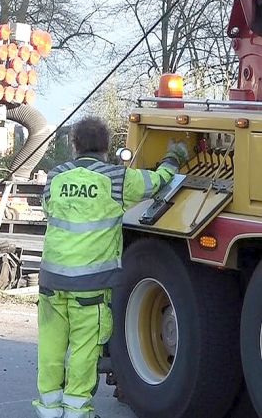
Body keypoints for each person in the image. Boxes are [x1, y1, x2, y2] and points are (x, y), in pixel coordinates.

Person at [32, 117, 188, 418]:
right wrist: (173, 157)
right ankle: (77, 411)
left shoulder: (55, 177)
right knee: (83, 349)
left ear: (74, 145)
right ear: (107, 147)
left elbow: (47, 207)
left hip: (51, 282)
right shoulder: (116, 179)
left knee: (50, 348)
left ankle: (49, 409)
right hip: (90, 285)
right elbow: (157, 181)